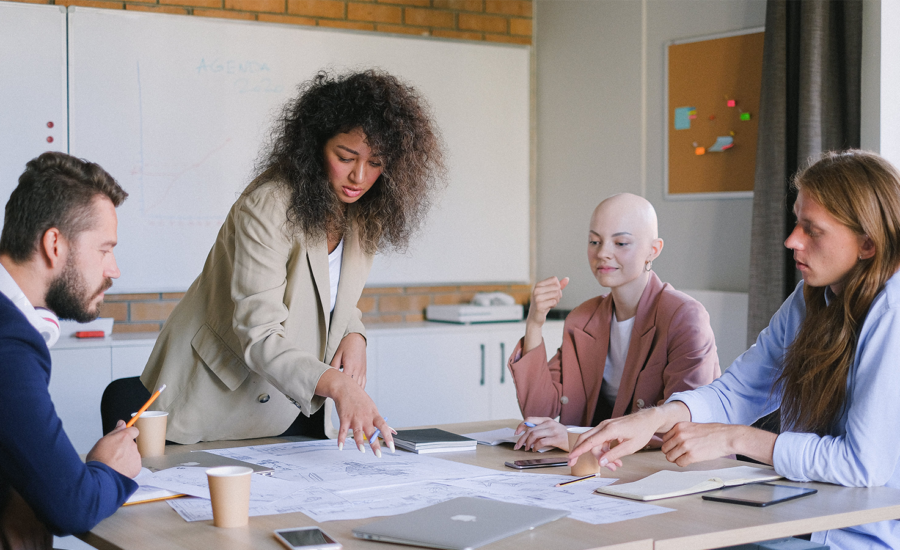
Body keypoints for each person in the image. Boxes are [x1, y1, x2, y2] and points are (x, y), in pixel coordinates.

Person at [569, 150, 900, 549]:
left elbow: (862, 464)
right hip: (804, 518)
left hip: (861, 537)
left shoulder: (892, 313)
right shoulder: (810, 298)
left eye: (813, 230)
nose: (791, 240)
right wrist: (655, 418)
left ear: (867, 245)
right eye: (797, 221)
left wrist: (736, 439)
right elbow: (741, 390)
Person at [140, 70, 444, 455]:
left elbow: (329, 293)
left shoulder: (364, 210)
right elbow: (260, 333)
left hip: (286, 408)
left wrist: (355, 333)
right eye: (345, 157)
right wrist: (340, 385)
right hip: (212, 402)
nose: (359, 176)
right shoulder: (269, 207)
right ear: (316, 146)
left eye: (376, 163)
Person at [0, 152, 140, 548]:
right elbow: (72, 506)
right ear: (54, 244)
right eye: (103, 249)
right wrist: (112, 471)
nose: (113, 270)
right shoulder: (8, 341)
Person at [509, 193, 721, 452]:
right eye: (594, 241)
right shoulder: (582, 319)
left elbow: (685, 425)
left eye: (621, 243)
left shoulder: (685, 317)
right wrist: (534, 323)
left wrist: (576, 438)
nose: (602, 253)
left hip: (675, 472)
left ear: (653, 250)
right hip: (600, 469)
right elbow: (538, 412)